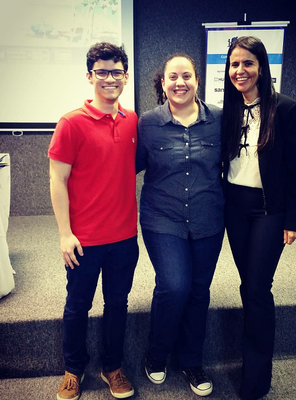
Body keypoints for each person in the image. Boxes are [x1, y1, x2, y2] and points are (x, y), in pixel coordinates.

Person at [48, 42, 139, 400]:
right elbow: (57, 180)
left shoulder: (132, 120)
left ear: (125, 76)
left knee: (118, 304)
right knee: (78, 305)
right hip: (83, 239)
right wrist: (65, 234)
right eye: (101, 71)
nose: (109, 78)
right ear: (89, 76)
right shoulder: (71, 123)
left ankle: (112, 366)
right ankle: (73, 369)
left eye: (116, 71)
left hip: (123, 237)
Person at [222, 36, 296, 400]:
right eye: (234, 65)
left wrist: (295, 219)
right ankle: (251, 357)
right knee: (248, 285)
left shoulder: (286, 108)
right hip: (234, 207)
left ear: (261, 67)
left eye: (247, 64)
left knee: (257, 289)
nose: (240, 71)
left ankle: (256, 378)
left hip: (269, 209)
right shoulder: (227, 109)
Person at [136, 53, 225, 397]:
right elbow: (127, 166)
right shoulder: (148, 122)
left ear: (197, 80)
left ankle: (191, 360)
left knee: (198, 291)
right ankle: (156, 355)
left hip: (208, 218)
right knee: (174, 286)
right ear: (163, 83)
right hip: (162, 217)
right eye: (172, 77)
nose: (180, 83)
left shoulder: (218, 118)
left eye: (186, 76)